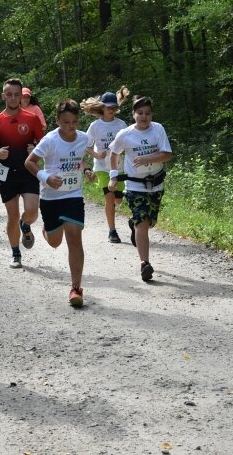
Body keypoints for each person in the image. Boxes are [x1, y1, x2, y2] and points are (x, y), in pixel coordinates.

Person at [25, 99, 94, 307]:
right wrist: (46, 177)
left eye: (74, 122)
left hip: (73, 194)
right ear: (57, 121)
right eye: (65, 122)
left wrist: (86, 170)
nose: (70, 127)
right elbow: (29, 162)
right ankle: (47, 229)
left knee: (74, 236)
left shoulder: (83, 138)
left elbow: (80, 158)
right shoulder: (50, 140)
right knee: (55, 242)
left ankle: (76, 288)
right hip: (51, 197)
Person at [107, 95, 173, 282]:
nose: (144, 117)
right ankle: (145, 264)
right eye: (140, 113)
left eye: (148, 113)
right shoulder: (125, 134)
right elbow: (114, 154)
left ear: (152, 115)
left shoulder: (158, 129)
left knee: (150, 222)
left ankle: (135, 226)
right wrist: (113, 177)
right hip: (135, 185)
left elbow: (167, 155)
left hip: (156, 184)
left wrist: (148, 159)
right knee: (142, 222)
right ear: (134, 114)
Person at [0, 78, 45, 268]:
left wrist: (35, 148)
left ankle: (25, 225)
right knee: (11, 215)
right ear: (3, 96)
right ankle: (16, 253)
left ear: (22, 96)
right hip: (7, 174)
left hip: (28, 171)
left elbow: (44, 143)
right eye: (9, 94)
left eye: (17, 94)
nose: (13, 98)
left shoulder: (31, 118)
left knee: (32, 211)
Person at [83, 89, 129, 243]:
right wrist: (97, 155)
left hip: (119, 167)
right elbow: (87, 146)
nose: (111, 110)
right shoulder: (95, 126)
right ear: (102, 107)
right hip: (102, 168)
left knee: (118, 200)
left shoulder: (121, 124)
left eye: (114, 107)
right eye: (108, 107)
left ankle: (117, 203)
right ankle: (112, 231)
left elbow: (128, 144)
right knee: (109, 198)